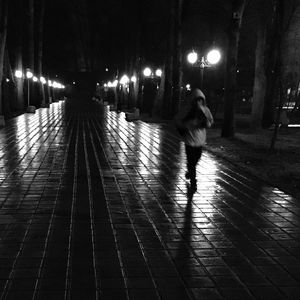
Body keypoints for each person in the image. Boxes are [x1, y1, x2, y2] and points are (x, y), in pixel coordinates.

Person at [175, 88, 214, 190]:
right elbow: (178, 119)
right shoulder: (187, 110)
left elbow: (210, 121)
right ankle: (193, 182)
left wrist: (206, 124)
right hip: (189, 140)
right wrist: (186, 125)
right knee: (191, 161)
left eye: (200, 100)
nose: (198, 102)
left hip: (200, 140)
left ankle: (190, 171)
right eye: (196, 100)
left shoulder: (205, 110)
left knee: (196, 159)